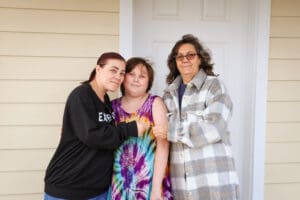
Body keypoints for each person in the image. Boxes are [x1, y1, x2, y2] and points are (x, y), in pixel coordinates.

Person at [44, 52, 149, 200]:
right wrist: (130, 128)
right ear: (98, 69)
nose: (118, 77)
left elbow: (106, 136)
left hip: (97, 189)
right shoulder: (81, 95)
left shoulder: (105, 99)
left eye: (122, 73)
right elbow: (93, 136)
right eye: (113, 70)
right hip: (69, 187)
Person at [163, 34, 239, 200]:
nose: (185, 60)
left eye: (190, 55)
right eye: (179, 56)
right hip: (181, 184)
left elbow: (214, 128)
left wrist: (169, 129)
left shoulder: (214, 86)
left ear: (200, 59)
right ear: (174, 62)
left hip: (213, 179)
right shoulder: (168, 94)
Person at [109, 57, 173, 200]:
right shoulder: (112, 106)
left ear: (148, 82)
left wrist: (156, 189)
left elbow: (163, 145)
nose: (136, 79)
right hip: (120, 181)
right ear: (123, 77)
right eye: (132, 74)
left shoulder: (154, 103)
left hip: (150, 180)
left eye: (142, 76)